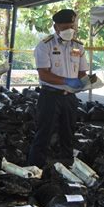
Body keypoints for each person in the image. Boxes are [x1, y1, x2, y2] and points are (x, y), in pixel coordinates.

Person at [27, 9, 88, 168]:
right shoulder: (45, 45)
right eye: (66, 27)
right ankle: (35, 168)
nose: (70, 31)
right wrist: (66, 80)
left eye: (72, 27)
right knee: (44, 133)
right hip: (50, 96)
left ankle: (67, 165)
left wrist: (85, 81)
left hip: (70, 97)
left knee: (68, 133)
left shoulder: (78, 46)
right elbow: (44, 75)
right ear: (56, 27)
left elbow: (82, 71)